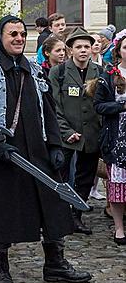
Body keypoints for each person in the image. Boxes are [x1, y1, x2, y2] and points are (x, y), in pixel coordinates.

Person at [0, 16, 91, 283]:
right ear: (1, 36)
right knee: (2, 211)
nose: (19, 38)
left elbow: (48, 108)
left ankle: (55, 263)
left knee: (52, 205)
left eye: (22, 34)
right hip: (4, 155)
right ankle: (1, 269)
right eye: (13, 34)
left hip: (38, 149)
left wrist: (56, 146)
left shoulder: (33, 70)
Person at [49, 29, 101, 236]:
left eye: (86, 47)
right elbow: (54, 106)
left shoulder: (99, 72)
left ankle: (76, 216)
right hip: (66, 135)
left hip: (91, 136)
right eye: (78, 47)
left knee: (85, 178)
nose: (83, 51)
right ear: (71, 50)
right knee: (60, 176)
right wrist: (65, 131)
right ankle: (58, 216)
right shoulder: (59, 72)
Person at [93, 32, 126, 245]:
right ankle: (119, 228)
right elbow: (99, 105)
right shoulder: (110, 74)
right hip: (117, 137)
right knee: (118, 185)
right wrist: (121, 106)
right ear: (118, 50)